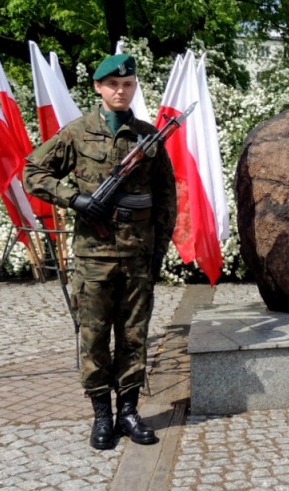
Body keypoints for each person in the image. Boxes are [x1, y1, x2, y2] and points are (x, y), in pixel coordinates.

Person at [24, 54, 177, 449]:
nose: (121, 91)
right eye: (113, 85)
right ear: (98, 87)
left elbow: (165, 199)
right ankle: (102, 416)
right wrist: (75, 200)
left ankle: (128, 412)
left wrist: (158, 252)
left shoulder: (149, 138)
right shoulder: (76, 133)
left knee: (134, 337)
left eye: (128, 85)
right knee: (93, 338)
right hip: (94, 258)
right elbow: (32, 172)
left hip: (138, 257)